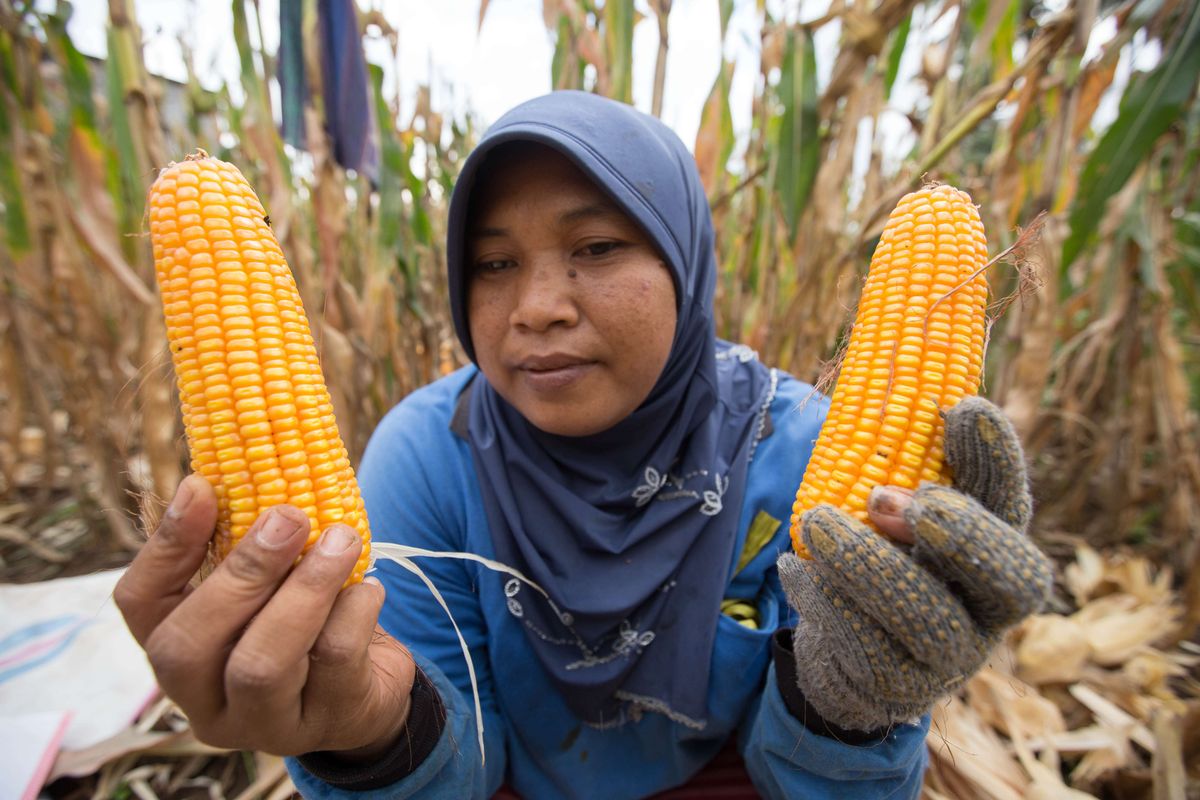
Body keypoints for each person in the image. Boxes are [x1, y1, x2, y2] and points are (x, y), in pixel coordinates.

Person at [115, 90, 1053, 799]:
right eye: (492, 264)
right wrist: (363, 725)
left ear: (684, 260)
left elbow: (798, 772)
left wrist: (850, 703)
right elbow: (460, 770)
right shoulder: (428, 454)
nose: (537, 308)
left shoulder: (796, 445)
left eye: (597, 247)